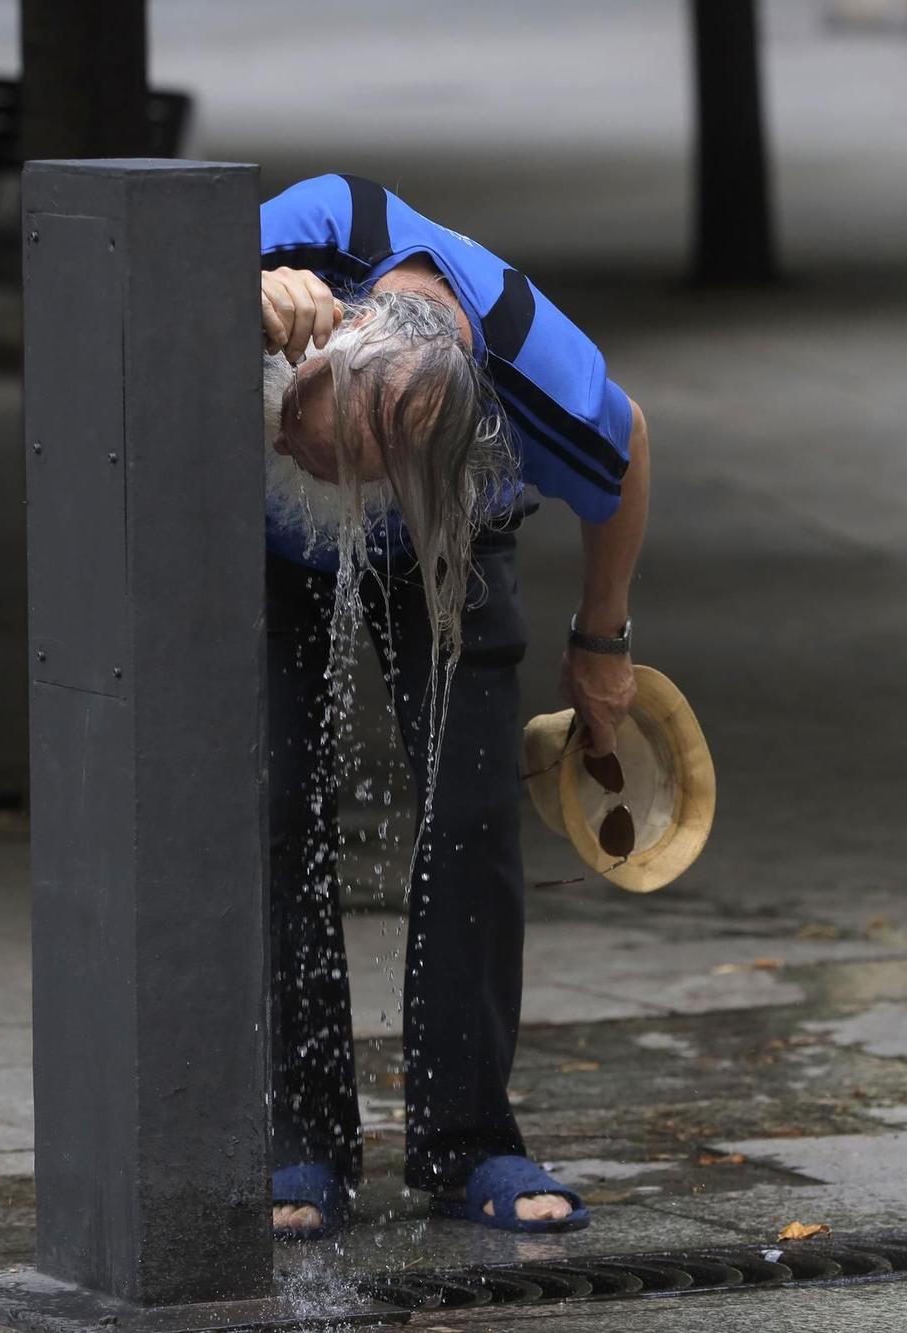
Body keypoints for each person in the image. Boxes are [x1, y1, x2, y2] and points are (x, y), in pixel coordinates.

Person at [258, 174, 649, 1238]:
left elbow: (627, 449)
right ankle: (300, 1142)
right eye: (305, 436)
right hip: (254, 546)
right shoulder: (319, 226)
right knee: (270, 801)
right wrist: (228, 293)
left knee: (471, 815)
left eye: (344, 468)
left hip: (445, 545)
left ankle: (467, 1138)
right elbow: (132, 287)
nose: (306, 461)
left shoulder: (535, 370)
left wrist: (601, 640)